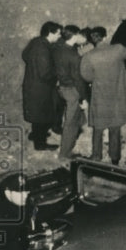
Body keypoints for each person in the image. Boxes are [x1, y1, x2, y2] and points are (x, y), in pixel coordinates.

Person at [79, 20, 126, 165]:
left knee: (98, 128)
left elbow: (85, 76)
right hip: (117, 96)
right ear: (105, 37)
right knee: (115, 127)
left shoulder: (88, 56)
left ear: (92, 41)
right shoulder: (118, 49)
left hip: (100, 96)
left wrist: (97, 79)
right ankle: (115, 158)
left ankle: (96, 156)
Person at [22, 21, 62, 151]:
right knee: (42, 114)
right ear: (50, 33)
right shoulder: (43, 49)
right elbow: (45, 73)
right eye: (58, 34)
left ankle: (36, 135)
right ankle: (40, 144)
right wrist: (57, 75)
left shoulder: (36, 42)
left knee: (37, 113)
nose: (59, 36)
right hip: (41, 87)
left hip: (32, 83)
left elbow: (24, 55)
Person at [51, 26, 88, 160]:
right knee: (70, 123)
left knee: (77, 118)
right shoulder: (73, 56)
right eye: (78, 34)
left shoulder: (58, 48)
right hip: (72, 90)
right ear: (75, 36)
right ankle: (64, 154)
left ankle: (78, 130)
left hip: (61, 87)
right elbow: (78, 80)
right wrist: (84, 99)